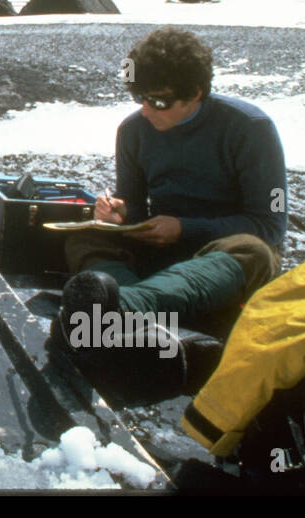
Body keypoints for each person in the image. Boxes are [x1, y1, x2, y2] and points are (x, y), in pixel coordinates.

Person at [54, 26, 288, 394]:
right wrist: (117, 216)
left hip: (221, 261)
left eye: (159, 101)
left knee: (255, 251)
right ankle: (134, 324)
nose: (146, 111)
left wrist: (184, 229)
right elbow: (131, 204)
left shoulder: (250, 129)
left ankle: (124, 308)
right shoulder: (132, 131)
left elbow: (269, 225)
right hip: (161, 253)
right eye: (139, 98)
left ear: (195, 92)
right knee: (86, 235)